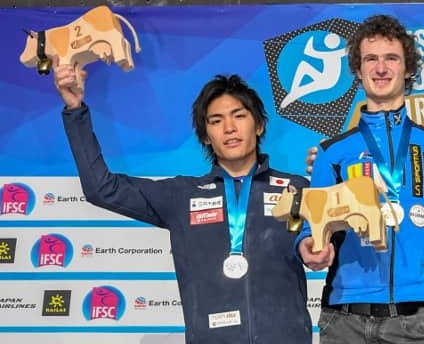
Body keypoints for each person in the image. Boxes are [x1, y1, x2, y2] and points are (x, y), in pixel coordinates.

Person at [52, 58, 311, 344]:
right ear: (206, 136)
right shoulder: (182, 195)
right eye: (216, 121)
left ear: (259, 125)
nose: (229, 128)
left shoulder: (297, 189)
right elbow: (101, 188)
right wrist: (75, 110)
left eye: (239, 116)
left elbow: (328, 243)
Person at [296, 14, 424, 344]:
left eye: (392, 58)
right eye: (370, 59)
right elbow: (311, 225)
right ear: (358, 70)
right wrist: (308, 247)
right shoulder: (332, 151)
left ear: (409, 68)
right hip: (344, 321)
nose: (381, 68)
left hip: (415, 319)